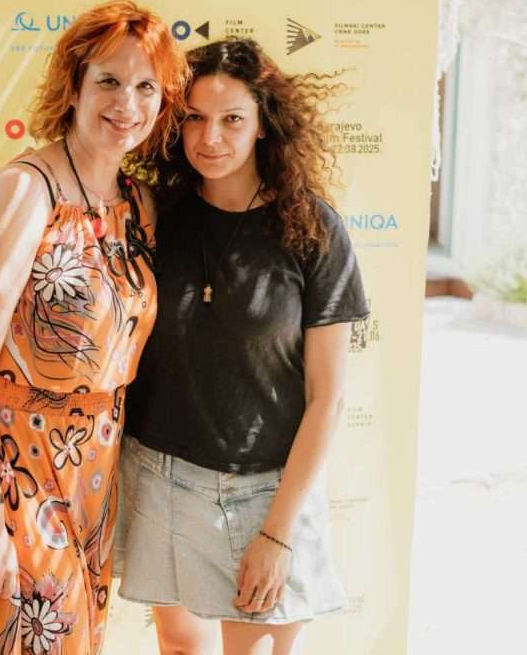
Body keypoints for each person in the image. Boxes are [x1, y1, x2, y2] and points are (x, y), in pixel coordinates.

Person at [0, 0, 188, 655]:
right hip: (12, 468)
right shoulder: (26, 191)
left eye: (146, 87)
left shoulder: (138, 204)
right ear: (73, 85)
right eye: (109, 81)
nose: (127, 103)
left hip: (92, 470)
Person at [117, 38, 369, 655]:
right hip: (158, 474)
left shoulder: (311, 229)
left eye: (232, 119)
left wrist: (278, 534)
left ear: (263, 124)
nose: (210, 138)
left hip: (267, 492)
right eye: (194, 118)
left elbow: (328, 398)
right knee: (180, 648)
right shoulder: (154, 217)